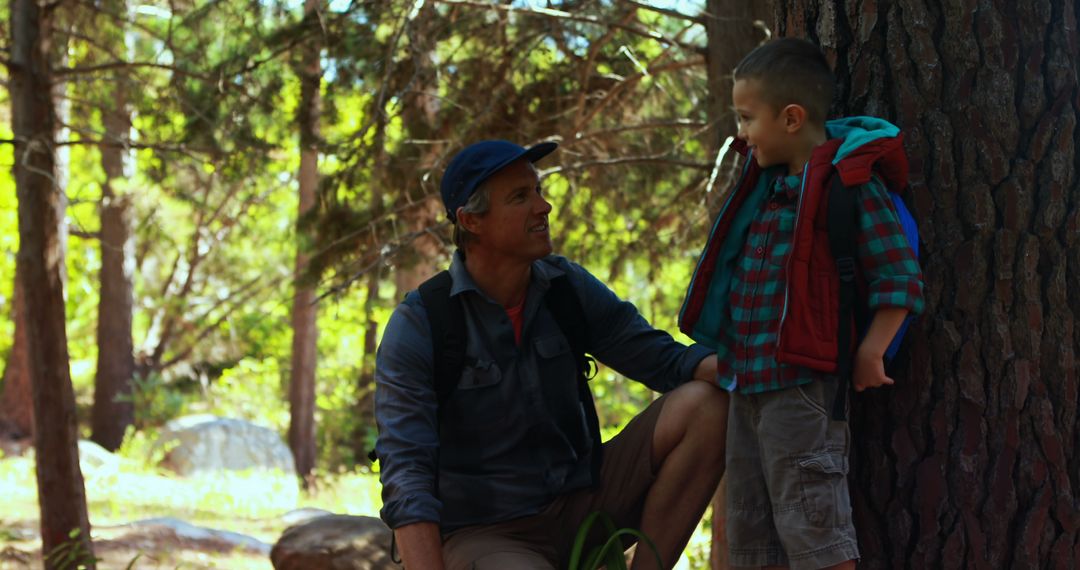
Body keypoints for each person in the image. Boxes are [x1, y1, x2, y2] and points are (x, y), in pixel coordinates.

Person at [373, 139, 729, 570]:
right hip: (488, 533)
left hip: (583, 502)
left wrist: (750, 368)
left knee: (708, 404)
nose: (544, 207)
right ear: (472, 221)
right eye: (521, 197)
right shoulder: (422, 324)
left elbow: (665, 361)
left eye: (538, 191)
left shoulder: (566, 288)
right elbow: (406, 476)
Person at [679, 38, 925, 570]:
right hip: (747, 390)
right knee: (750, 537)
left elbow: (898, 276)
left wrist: (871, 351)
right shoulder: (764, 189)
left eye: (747, 118)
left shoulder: (849, 185)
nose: (740, 133)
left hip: (802, 393)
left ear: (791, 118)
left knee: (815, 531)